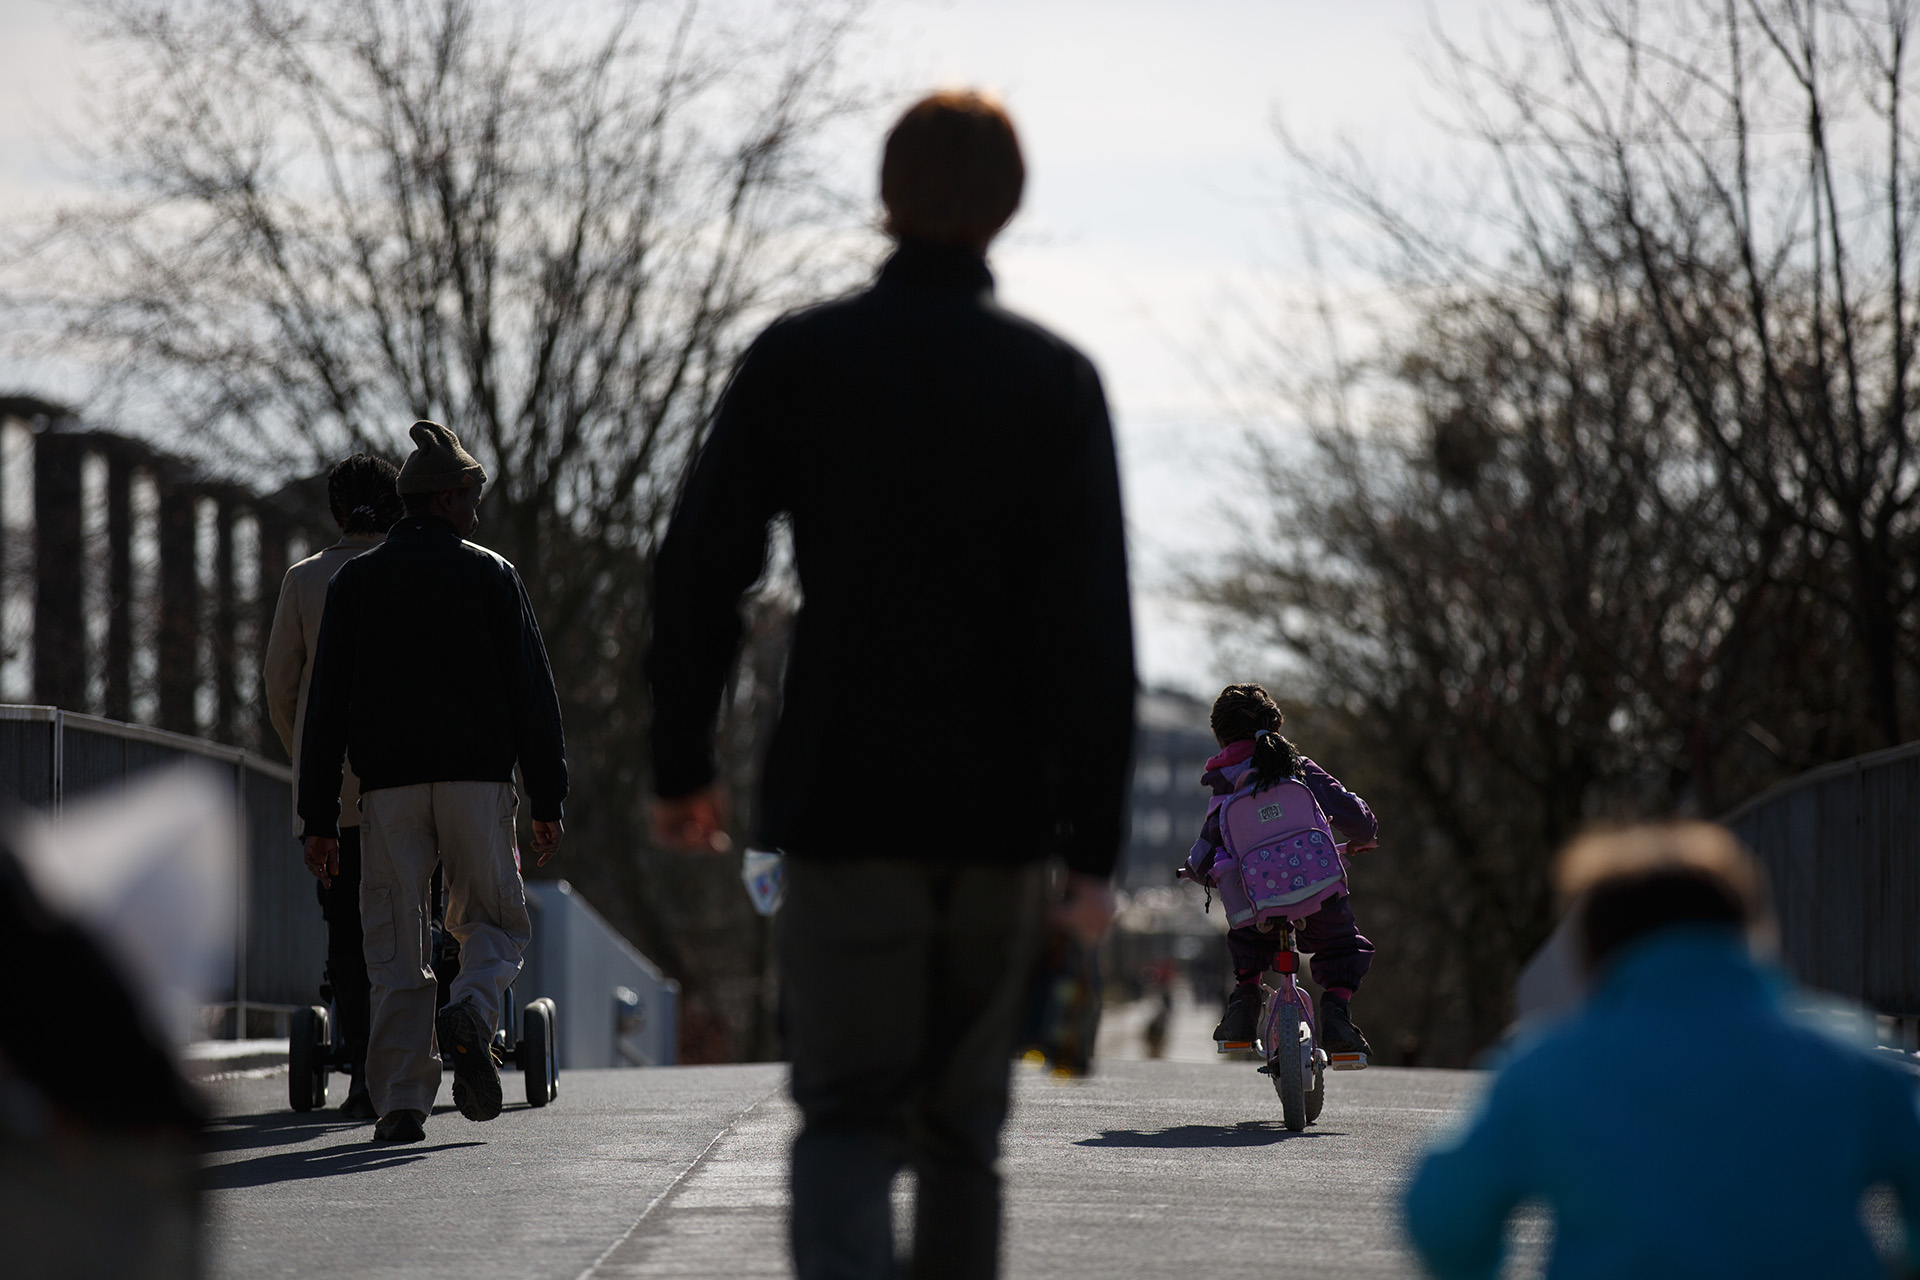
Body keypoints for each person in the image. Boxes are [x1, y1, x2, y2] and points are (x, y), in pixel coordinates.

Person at [647, 90, 1134, 1280]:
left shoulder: (800, 358)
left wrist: (681, 758)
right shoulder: (1053, 382)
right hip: (1001, 815)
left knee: (849, 1112)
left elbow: (704, 564)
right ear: (1008, 206)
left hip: (844, 794)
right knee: (966, 1132)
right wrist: (1094, 850)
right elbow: (1092, 634)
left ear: (886, 191)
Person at [1404, 822, 1920, 1280]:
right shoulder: (1853, 1061)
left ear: (1592, 950)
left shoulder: (1549, 1068)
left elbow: (1442, 1216)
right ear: (1751, 933)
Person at [297, 420, 568, 1145]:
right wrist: (549, 798)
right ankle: (473, 1013)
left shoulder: (357, 583)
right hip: (477, 786)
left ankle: (402, 1102)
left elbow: (323, 709)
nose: (477, 508)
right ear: (446, 499)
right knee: (493, 922)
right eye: (472, 494)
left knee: (394, 947)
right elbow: (532, 696)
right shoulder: (491, 574)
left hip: (386, 794)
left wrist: (318, 816)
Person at [263, 452, 404, 1121]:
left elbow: (280, 690)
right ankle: (416, 1052)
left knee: (344, 926)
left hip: (337, 793)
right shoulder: (414, 570)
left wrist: (311, 764)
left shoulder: (305, 580)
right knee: (412, 916)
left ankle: (362, 1071)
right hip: (412, 782)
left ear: (336, 511)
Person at [1184, 682, 1379, 1059]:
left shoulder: (1224, 784)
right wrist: (1365, 835)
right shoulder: (1298, 768)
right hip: (1319, 894)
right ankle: (1337, 1015)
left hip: (1260, 903)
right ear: (1275, 727)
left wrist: (1194, 871)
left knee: (1247, 938)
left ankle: (1245, 1004)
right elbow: (1353, 813)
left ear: (1221, 738)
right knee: (1342, 946)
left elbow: (1206, 850)